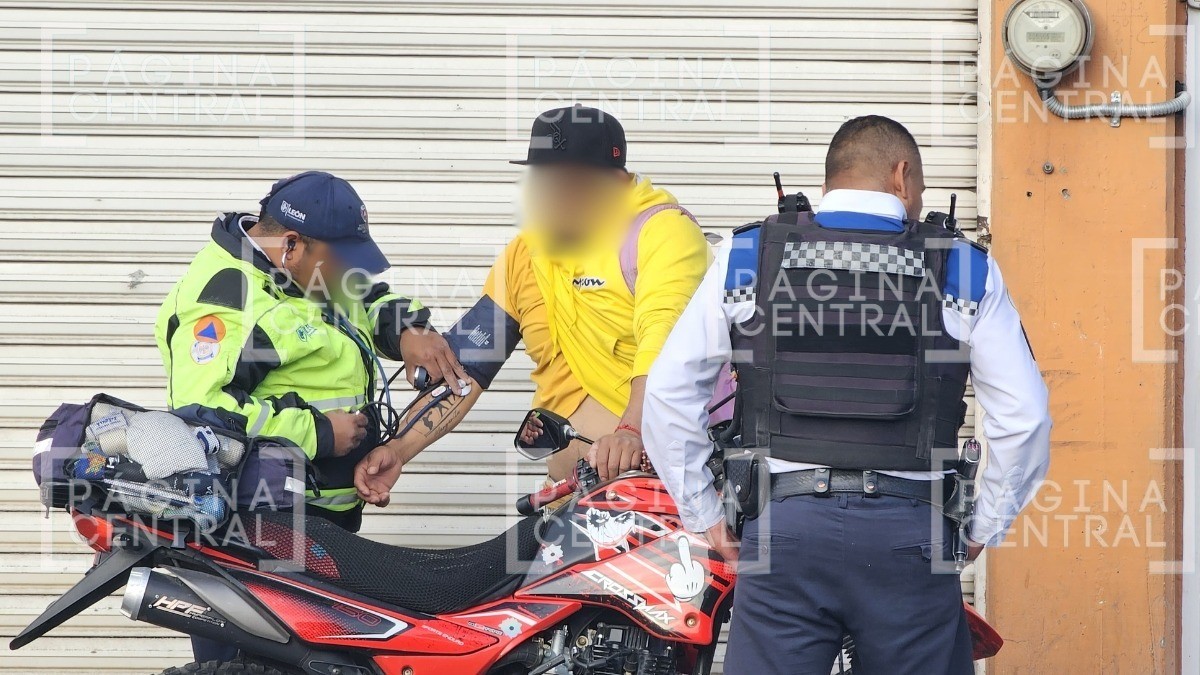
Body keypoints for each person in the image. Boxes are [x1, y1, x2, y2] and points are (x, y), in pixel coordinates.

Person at [641, 116, 1052, 674]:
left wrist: (706, 517)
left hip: (783, 532)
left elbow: (667, 395)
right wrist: (984, 527)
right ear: (903, 177)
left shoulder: (750, 256)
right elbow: (1023, 419)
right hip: (911, 537)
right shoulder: (961, 267)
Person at [353, 105, 712, 505]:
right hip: (567, 502)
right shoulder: (527, 253)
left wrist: (630, 431)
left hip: (656, 498)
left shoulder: (663, 233)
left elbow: (662, 346)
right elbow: (469, 364)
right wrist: (399, 450)